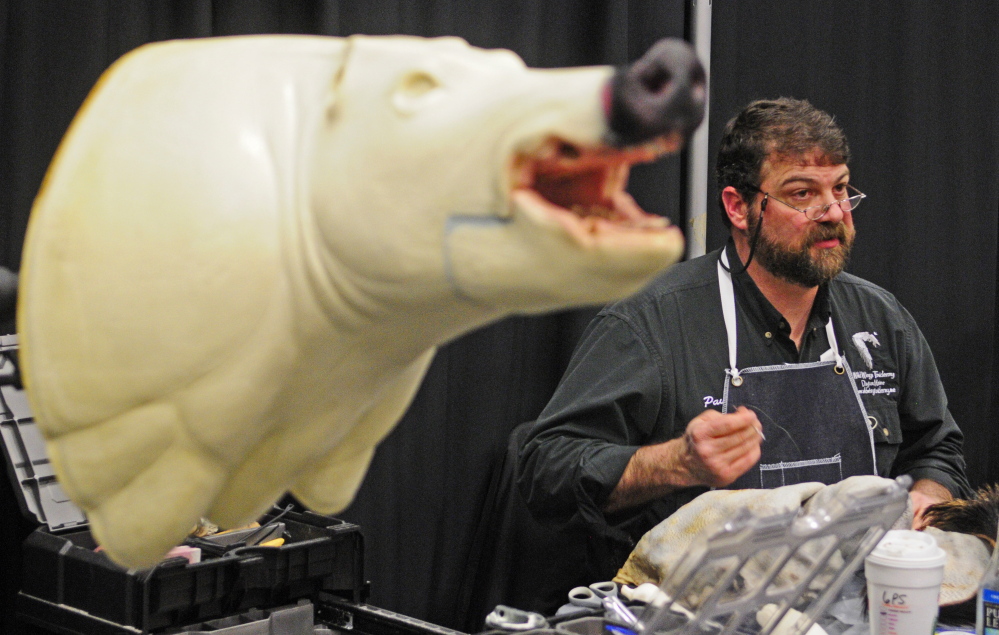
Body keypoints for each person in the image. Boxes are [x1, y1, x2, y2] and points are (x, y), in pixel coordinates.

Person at [516, 97, 972, 582]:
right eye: (802, 194)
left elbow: (937, 450)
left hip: (851, 605)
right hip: (692, 610)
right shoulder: (652, 323)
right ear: (739, 207)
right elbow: (547, 469)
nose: (834, 213)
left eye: (840, 189)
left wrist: (927, 501)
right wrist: (678, 462)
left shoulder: (881, 320)